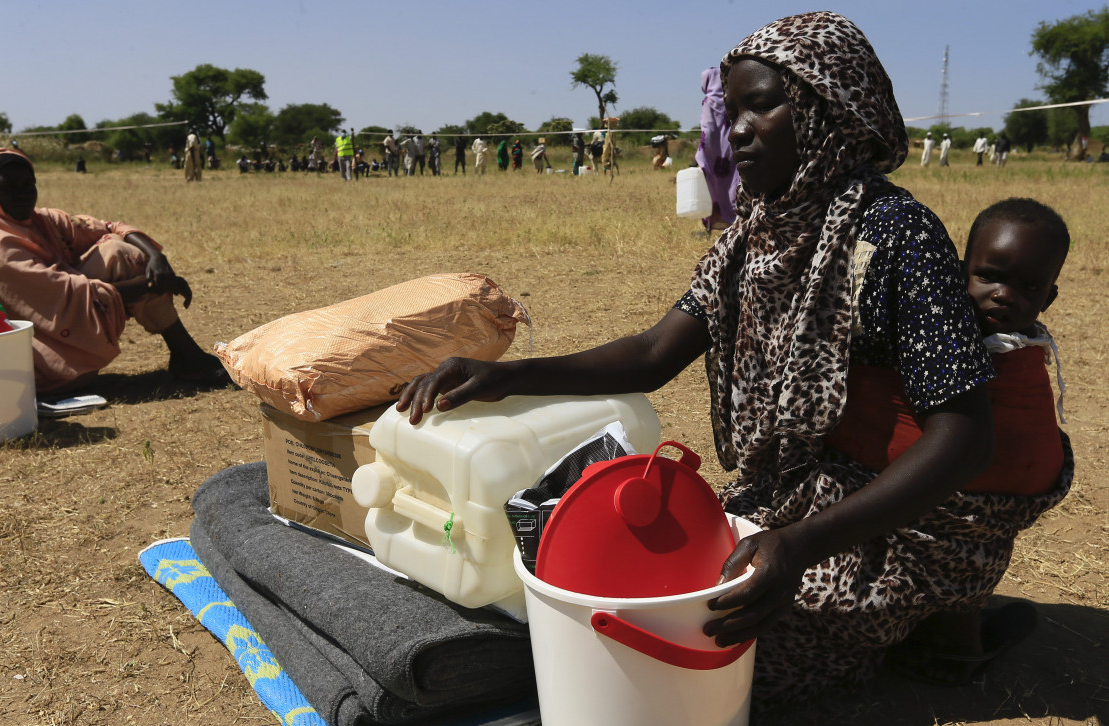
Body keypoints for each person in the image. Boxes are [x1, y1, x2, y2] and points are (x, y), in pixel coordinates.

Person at [394, 11, 1035, 702]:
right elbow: (653, 352)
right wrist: (503, 376)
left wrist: (800, 547)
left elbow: (964, 439)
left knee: (732, 648)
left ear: (829, 106)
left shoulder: (897, 238)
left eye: (763, 105)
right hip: (793, 498)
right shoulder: (754, 237)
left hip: (902, 516)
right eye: (732, 111)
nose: (738, 130)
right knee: (658, 586)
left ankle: (941, 618)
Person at [881, 197, 1073, 684]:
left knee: (972, 556)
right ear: (961, 272)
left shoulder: (1021, 352)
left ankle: (959, 648)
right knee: (960, 561)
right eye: (989, 276)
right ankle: (954, 643)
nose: (1004, 295)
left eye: (1028, 287)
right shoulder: (938, 332)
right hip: (944, 491)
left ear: (1048, 298)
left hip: (993, 495)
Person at [0, 148, 226, 392]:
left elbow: (108, 227)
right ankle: (188, 358)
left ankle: (186, 357)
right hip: (30, 362)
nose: (23, 194)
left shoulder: (40, 221)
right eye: (8, 187)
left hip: (60, 322)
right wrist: (153, 284)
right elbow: (64, 295)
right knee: (124, 260)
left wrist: (156, 257)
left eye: (29, 184)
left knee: (117, 251)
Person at [696, 67, 740, 232]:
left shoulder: (709, 101)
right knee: (733, 183)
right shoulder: (733, 99)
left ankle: (714, 219)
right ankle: (735, 219)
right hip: (731, 150)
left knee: (712, 186)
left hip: (712, 154)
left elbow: (707, 131)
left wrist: (701, 154)